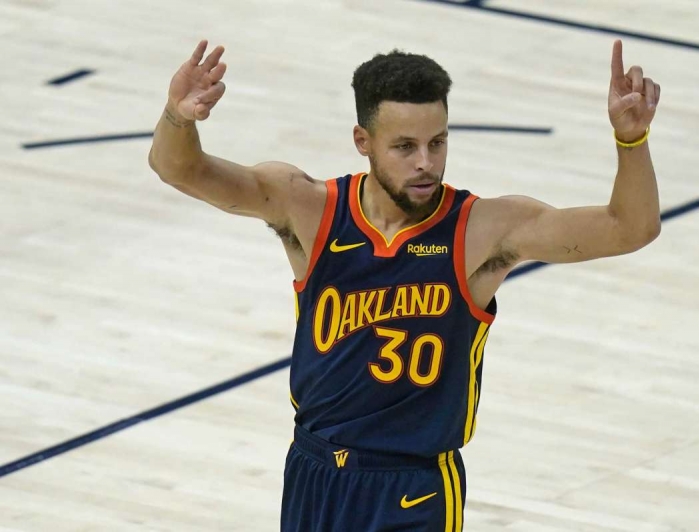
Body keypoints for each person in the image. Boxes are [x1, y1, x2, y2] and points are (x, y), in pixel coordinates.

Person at [149, 38, 661, 532]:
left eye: (437, 143)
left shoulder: (482, 230)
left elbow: (629, 228)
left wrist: (631, 141)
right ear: (363, 142)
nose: (425, 163)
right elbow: (177, 167)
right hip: (313, 471)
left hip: (413, 489)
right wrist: (178, 115)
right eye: (405, 147)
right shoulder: (310, 207)